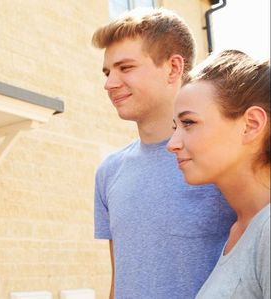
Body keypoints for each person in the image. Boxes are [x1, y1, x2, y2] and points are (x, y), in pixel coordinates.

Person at [91, 8, 236, 299]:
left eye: (126, 68)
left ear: (173, 68)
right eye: (107, 72)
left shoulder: (224, 158)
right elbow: (120, 281)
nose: (109, 83)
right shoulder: (109, 171)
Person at [167, 50, 270, 298]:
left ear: (251, 125)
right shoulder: (239, 230)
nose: (172, 143)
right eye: (175, 127)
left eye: (189, 123)